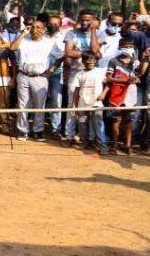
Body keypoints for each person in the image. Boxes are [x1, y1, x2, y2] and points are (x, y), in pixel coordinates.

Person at [10, 20, 59, 141]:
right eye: (32, 27)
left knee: (39, 105)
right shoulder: (23, 40)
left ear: (43, 29)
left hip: (40, 77)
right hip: (23, 75)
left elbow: (61, 56)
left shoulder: (49, 42)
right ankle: (23, 130)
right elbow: (12, 47)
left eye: (38, 27)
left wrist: (52, 69)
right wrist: (22, 34)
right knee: (22, 105)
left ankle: (38, 130)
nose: (35, 29)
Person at [63, 10, 101, 140]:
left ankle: (88, 137)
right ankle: (69, 135)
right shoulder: (71, 33)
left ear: (93, 20)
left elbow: (95, 51)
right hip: (75, 71)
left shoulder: (98, 34)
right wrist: (88, 54)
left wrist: (93, 32)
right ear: (79, 20)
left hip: (92, 73)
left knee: (90, 104)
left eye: (88, 20)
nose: (85, 22)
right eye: (82, 20)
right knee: (71, 104)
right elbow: (68, 52)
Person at [103, 43, 144, 155]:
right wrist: (125, 81)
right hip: (117, 93)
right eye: (126, 46)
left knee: (129, 120)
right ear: (120, 47)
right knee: (116, 119)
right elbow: (109, 78)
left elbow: (139, 74)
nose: (129, 48)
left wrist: (141, 62)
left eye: (131, 46)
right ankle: (115, 145)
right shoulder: (114, 61)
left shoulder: (135, 62)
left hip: (131, 93)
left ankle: (128, 145)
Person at [70, 51, 107, 152]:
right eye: (88, 59)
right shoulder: (79, 74)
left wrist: (103, 94)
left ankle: (102, 145)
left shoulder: (100, 72)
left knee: (98, 123)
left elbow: (108, 83)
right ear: (83, 61)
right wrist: (75, 106)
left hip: (97, 103)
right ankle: (86, 142)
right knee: (82, 123)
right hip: (83, 103)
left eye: (93, 59)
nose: (91, 61)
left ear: (96, 61)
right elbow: (76, 91)